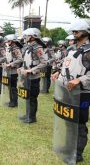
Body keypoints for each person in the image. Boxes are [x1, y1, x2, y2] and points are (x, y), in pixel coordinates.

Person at [52, 19, 90, 163]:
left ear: (86, 32)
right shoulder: (72, 49)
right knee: (68, 120)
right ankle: (68, 146)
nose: (74, 33)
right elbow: (67, 66)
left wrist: (80, 80)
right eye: (73, 31)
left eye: (77, 31)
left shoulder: (89, 51)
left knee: (79, 123)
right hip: (67, 90)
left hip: (82, 93)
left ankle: (77, 153)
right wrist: (57, 72)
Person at [19, 28, 47, 123]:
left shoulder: (38, 48)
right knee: (27, 96)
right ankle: (27, 114)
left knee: (32, 98)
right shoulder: (27, 47)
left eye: (27, 36)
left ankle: (32, 117)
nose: (25, 37)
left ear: (32, 37)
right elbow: (26, 61)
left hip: (34, 77)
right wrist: (22, 68)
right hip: (26, 76)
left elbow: (44, 63)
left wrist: (31, 70)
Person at [3, 34, 23, 107]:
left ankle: (14, 102)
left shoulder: (16, 49)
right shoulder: (10, 48)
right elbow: (8, 58)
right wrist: (6, 63)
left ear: (12, 41)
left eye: (8, 41)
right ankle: (11, 100)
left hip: (14, 71)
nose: (7, 42)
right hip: (9, 70)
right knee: (10, 87)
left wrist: (11, 64)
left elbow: (20, 59)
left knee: (13, 87)